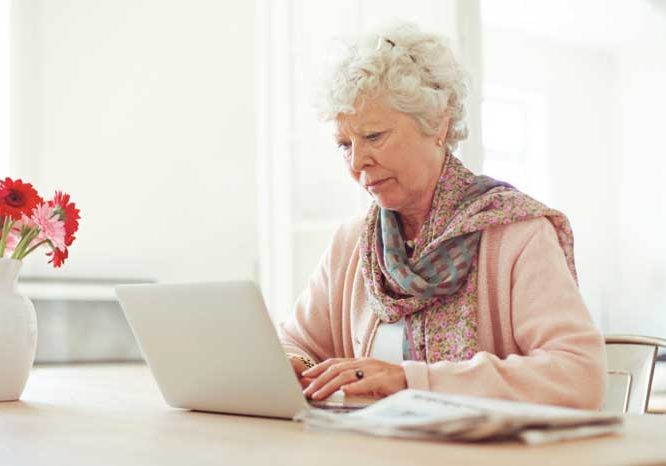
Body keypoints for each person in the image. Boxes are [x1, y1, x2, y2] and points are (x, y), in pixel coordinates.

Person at [278, 23, 607, 409]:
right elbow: (294, 343)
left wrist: (410, 380)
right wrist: (296, 365)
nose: (357, 161)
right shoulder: (353, 244)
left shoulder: (517, 233)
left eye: (374, 136)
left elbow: (578, 375)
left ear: (438, 123)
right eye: (344, 144)